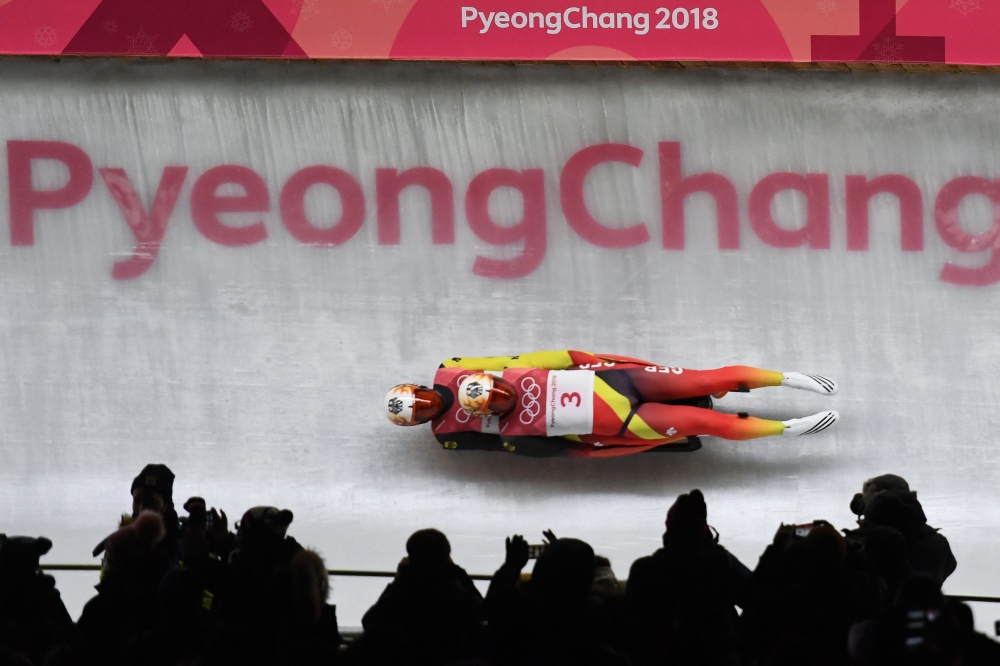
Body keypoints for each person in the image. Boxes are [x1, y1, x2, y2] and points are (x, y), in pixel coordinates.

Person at [386, 350, 839, 457]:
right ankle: (788, 430)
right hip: (622, 420)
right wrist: (600, 446)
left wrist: (605, 362)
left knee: (710, 379)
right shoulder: (486, 432)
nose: (428, 409)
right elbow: (556, 450)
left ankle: (791, 378)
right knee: (708, 422)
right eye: (420, 413)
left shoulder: (457, 369)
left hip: (614, 381)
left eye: (420, 401)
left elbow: (555, 357)